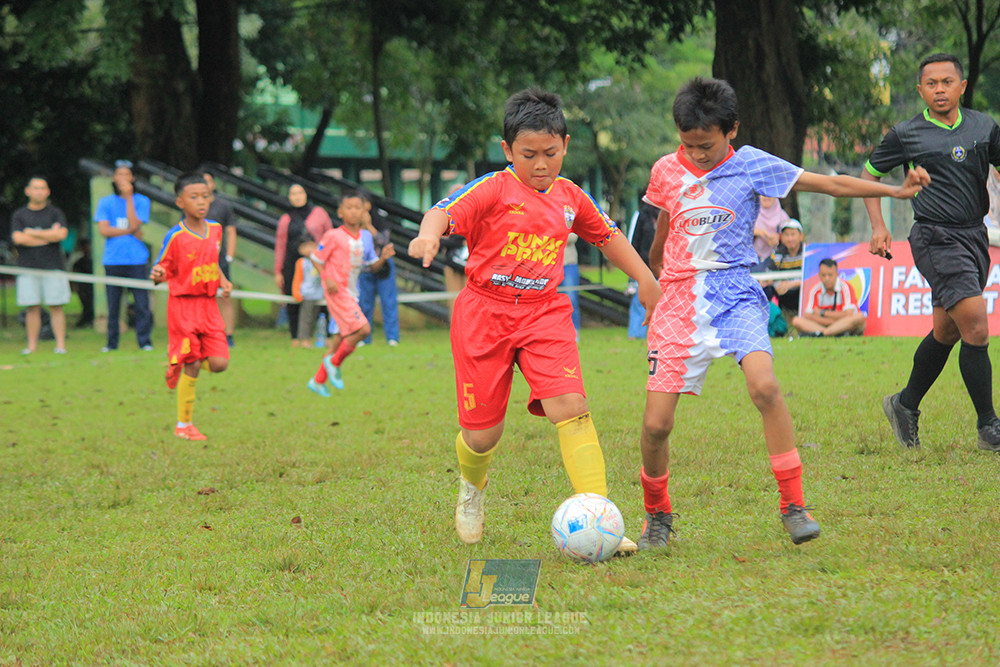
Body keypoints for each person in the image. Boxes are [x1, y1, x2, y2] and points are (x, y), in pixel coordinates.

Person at [637, 76, 928, 550]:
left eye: (706, 145)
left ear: (731, 130)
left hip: (733, 291)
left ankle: (794, 506)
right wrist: (654, 281)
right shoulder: (665, 170)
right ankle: (658, 515)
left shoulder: (752, 164)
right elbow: (663, 230)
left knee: (766, 386)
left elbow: (829, 183)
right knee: (656, 425)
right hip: (678, 300)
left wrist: (896, 193)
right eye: (687, 145)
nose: (696, 154)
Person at [408, 88, 661, 553]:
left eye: (550, 153)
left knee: (572, 405)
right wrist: (428, 236)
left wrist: (646, 278)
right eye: (529, 155)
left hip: (545, 313)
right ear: (508, 151)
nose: (541, 164)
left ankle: (600, 518)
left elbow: (608, 237)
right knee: (483, 434)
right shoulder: (493, 189)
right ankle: (472, 490)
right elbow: (442, 212)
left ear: (565, 144)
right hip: (484, 314)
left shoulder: (570, 197)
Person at [862, 52, 1000, 453]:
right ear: (921, 90)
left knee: (948, 330)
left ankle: (904, 405)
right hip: (935, 237)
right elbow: (869, 176)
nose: (939, 89)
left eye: (947, 82)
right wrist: (879, 226)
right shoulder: (906, 134)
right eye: (931, 83)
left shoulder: (984, 127)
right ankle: (989, 426)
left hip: (976, 235)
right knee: (975, 325)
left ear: (962, 86)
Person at [150, 172, 232, 441]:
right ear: (179, 202)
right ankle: (184, 425)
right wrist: (158, 275)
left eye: (205, 196)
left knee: (220, 363)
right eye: (193, 197)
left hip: (209, 306)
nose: (201, 202)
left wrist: (223, 279)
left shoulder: (216, 230)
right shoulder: (175, 236)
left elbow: (212, 260)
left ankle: (183, 362)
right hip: (183, 307)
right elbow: (163, 266)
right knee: (194, 362)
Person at [306, 191, 392, 397]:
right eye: (349, 208)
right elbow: (316, 259)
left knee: (339, 339)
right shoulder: (333, 236)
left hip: (353, 293)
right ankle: (333, 363)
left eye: (358, 208)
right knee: (363, 329)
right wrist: (327, 277)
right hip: (337, 292)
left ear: (365, 211)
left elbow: (371, 266)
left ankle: (318, 381)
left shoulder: (366, 237)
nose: (354, 212)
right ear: (340, 212)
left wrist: (383, 257)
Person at [95, 159, 154, 352]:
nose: (123, 179)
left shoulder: (142, 201)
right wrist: (129, 230)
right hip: (113, 260)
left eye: (126, 175)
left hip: (137, 260)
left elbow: (136, 223)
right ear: (114, 178)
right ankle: (112, 343)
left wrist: (129, 199)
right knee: (113, 305)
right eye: (119, 174)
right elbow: (104, 230)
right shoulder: (105, 202)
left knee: (141, 303)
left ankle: (144, 341)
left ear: (132, 178)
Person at [10, 176, 70, 354]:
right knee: (32, 307)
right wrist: (47, 236)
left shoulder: (55, 212)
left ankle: (60, 345)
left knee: (56, 306)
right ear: (28, 191)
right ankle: (32, 346)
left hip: (53, 267)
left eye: (43, 188)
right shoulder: (19, 215)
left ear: (48, 191)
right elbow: (18, 239)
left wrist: (32, 234)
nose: (39, 191)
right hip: (28, 268)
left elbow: (60, 236)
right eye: (36, 188)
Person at [274, 183, 332, 346]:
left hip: (318, 262)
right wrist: (278, 271)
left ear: (306, 194)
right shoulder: (286, 218)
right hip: (293, 264)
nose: (297, 196)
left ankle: (326, 336)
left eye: (300, 192)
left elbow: (330, 236)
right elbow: (280, 245)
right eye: (293, 193)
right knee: (294, 298)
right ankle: (296, 337)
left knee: (323, 299)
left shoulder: (319, 213)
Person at [201, 170, 238, 347]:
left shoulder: (223, 206)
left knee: (225, 297)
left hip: (219, 260)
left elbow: (231, 231)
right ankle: (204, 334)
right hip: (198, 261)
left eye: (208, 181)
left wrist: (229, 256)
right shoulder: (192, 206)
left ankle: (228, 335)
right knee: (201, 298)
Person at [358, 198, 401, 346]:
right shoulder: (353, 225)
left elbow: (383, 241)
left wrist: (368, 226)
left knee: (388, 301)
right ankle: (364, 337)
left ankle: (392, 337)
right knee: (364, 302)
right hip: (364, 267)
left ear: (368, 205)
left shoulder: (381, 221)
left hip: (383, 267)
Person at [790, 258, 867, 337]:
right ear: (819, 275)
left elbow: (848, 314)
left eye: (830, 275)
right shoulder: (815, 290)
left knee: (859, 317)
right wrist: (833, 322)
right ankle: (828, 332)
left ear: (836, 274)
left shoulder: (845, 287)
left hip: (843, 325)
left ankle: (824, 333)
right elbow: (809, 316)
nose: (827, 279)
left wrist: (822, 313)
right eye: (823, 275)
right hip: (828, 325)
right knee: (796, 321)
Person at [626, 199, 658, 340]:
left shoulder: (670, 212)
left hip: (665, 266)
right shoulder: (641, 215)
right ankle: (636, 334)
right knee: (640, 301)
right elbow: (633, 242)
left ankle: (661, 336)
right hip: (643, 265)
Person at [758, 219, 805, 313]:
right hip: (784, 291)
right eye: (786, 235)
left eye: (793, 234)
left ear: (801, 236)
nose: (790, 238)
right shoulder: (777, 253)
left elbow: (811, 277)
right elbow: (770, 274)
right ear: (782, 237)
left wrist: (792, 284)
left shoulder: (807, 251)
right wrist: (778, 285)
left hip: (801, 288)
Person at [292, 239, 327, 349]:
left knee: (315, 318)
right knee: (305, 318)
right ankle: (304, 339)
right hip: (307, 294)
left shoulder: (321, 261)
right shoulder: (302, 263)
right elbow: (297, 278)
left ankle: (311, 338)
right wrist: (296, 292)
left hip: (319, 294)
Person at [753, 195, 789, 262]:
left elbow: (791, 236)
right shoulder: (752, 214)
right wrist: (758, 232)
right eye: (763, 195)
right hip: (754, 259)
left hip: (778, 260)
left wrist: (779, 237)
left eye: (769, 195)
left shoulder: (782, 216)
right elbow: (741, 232)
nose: (766, 197)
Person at [559, 232, 581, 335]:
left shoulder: (568, 215)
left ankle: (574, 332)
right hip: (547, 265)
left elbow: (573, 237)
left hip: (568, 264)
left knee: (571, 300)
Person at [70, 237, 94, 329]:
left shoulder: (95, 260)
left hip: (92, 287)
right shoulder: (79, 262)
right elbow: (74, 273)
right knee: (86, 305)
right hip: (84, 288)